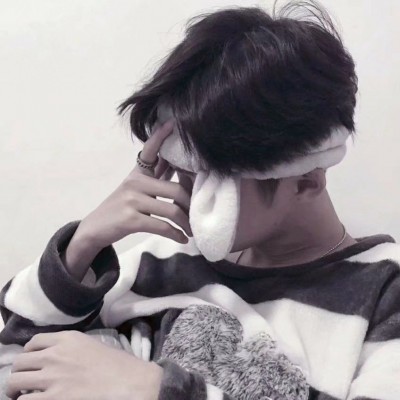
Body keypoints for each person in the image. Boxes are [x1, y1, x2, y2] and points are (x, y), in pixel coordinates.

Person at [0, 1, 399, 399]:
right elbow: (16, 362)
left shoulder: (383, 292)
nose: (182, 195)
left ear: (305, 182)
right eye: (178, 171)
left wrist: (154, 389)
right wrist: (82, 246)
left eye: (208, 182)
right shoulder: (159, 262)